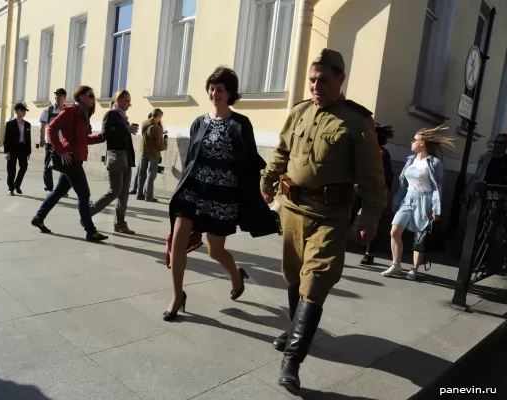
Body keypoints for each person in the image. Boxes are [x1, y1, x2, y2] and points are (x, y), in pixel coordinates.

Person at [260, 49, 387, 395]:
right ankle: (294, 329)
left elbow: (373, 178)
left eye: (323, 81)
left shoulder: (357, 122)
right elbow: (282, 151)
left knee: (314, 282)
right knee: (293, 276)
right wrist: (268, 181)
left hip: (330, 218)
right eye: (312, 80)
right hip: (292, 210)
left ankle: (292, 360)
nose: (315, 86)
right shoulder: (300, 111)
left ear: (340, 80)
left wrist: (371, 214)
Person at [164, 66, 278, 322]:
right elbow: (191, 159)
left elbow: (250, 162)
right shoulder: (199, 122)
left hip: (222, 196)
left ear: (230, 94)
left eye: (221, 89)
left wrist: (261, 190)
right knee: (179, 239)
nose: (215, 93)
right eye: (212, 88)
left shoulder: (240, 124)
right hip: (193, 191)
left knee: (215, 250)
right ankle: (176, 295)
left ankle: (237, 276)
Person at [31, 85, 108, 242]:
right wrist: (61, 150)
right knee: (84, 195)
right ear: (80, 96)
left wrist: (102, 137)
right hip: (70, 159)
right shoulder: (70, 112)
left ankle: (38, 218)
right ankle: (90, 231)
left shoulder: (82, 115)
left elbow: (83, 140)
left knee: (58, 192)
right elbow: (51, 129)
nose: (93, 99)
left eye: (94, 96)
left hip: (76, 158)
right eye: (90, 95)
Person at [383, 126, 454, 281]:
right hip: (408, 198)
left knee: (419, 237)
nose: (411, 142)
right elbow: (404, 184)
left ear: (422, 143)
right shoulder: (410, 160)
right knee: (394, 231)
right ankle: (396, 264)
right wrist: (397, 200)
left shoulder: (434, 163)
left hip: (425, 200)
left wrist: (436, 209)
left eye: (414, 140)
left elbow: (437, 188)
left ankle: (414, 269)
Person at [87, 90, 139, 235]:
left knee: (124, 194)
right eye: (127, 101)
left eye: (129, 101)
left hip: (126, 159)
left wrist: (127, 130)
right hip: (116, 157)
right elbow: (106, 134)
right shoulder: (111, 114)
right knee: (114, 191)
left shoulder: (122, 116)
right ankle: (88, 213)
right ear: (118, 100)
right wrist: (126, 129)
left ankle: (120, 223)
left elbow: (121, 134)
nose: (129, 104)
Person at [350, 123, 395, 264]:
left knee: (370, 222)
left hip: (373, 192)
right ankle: (337, 246)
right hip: (356, 191)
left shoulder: (382, 153)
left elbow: (387, 175)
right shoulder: (361, 150)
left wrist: (382, 189)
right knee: (347, 217)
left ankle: (369, 253)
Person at [39, 88, 69, 197]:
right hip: (50, 142)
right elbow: (43, 126)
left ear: (64, 98)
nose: (57, 98)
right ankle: (49, 187)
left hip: (64, 143)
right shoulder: (48, 110)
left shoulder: (67, 111)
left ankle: (62, 189)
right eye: (56, 96)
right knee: (48, 165)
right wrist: (42, 139)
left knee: (65, 166)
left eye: (59, 96)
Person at [464, 133, 507, 208]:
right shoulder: (486, 158)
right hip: (480, 195)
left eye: (500, 142)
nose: (496, 144)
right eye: (495, 142)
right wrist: (467, 192)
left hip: (496, 198)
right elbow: (476, 175)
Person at [137, 108, 168, 202]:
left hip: (144, 151)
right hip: (153, 153)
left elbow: (147, 134)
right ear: (158, 116)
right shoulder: (156, 127)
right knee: (151, 174)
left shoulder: (144, 123)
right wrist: (165, 144)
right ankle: (148, 196)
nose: (160, 119)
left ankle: (139, 194)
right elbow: (160, 144)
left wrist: (160, 133)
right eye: (160, 117)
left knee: (141, 174)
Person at [4, 103, 32, 196]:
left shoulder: (27, 124)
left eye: (25, 111)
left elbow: (28, 139)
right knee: (11, 168)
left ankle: (17, 184)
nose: (24, 112)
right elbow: (6, 138)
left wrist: (28, 152)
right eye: (22, 110)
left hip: (23, 148)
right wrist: (6, 151)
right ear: (16, 111)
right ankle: (11, 188)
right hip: (12, 148)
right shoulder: (10, 124)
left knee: (24, 167)